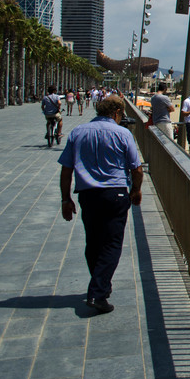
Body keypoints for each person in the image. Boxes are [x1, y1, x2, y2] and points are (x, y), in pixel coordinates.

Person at [58, 94, 143, 314]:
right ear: (116, 113)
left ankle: (101, 284)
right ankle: (97, 292)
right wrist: (135, 190)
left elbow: (66, 170)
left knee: (93, 242)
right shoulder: (123, 133)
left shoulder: (78, 132)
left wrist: (65, 199)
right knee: (112, 244)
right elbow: (137, 168)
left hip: (88, 195)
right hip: (115, 194)